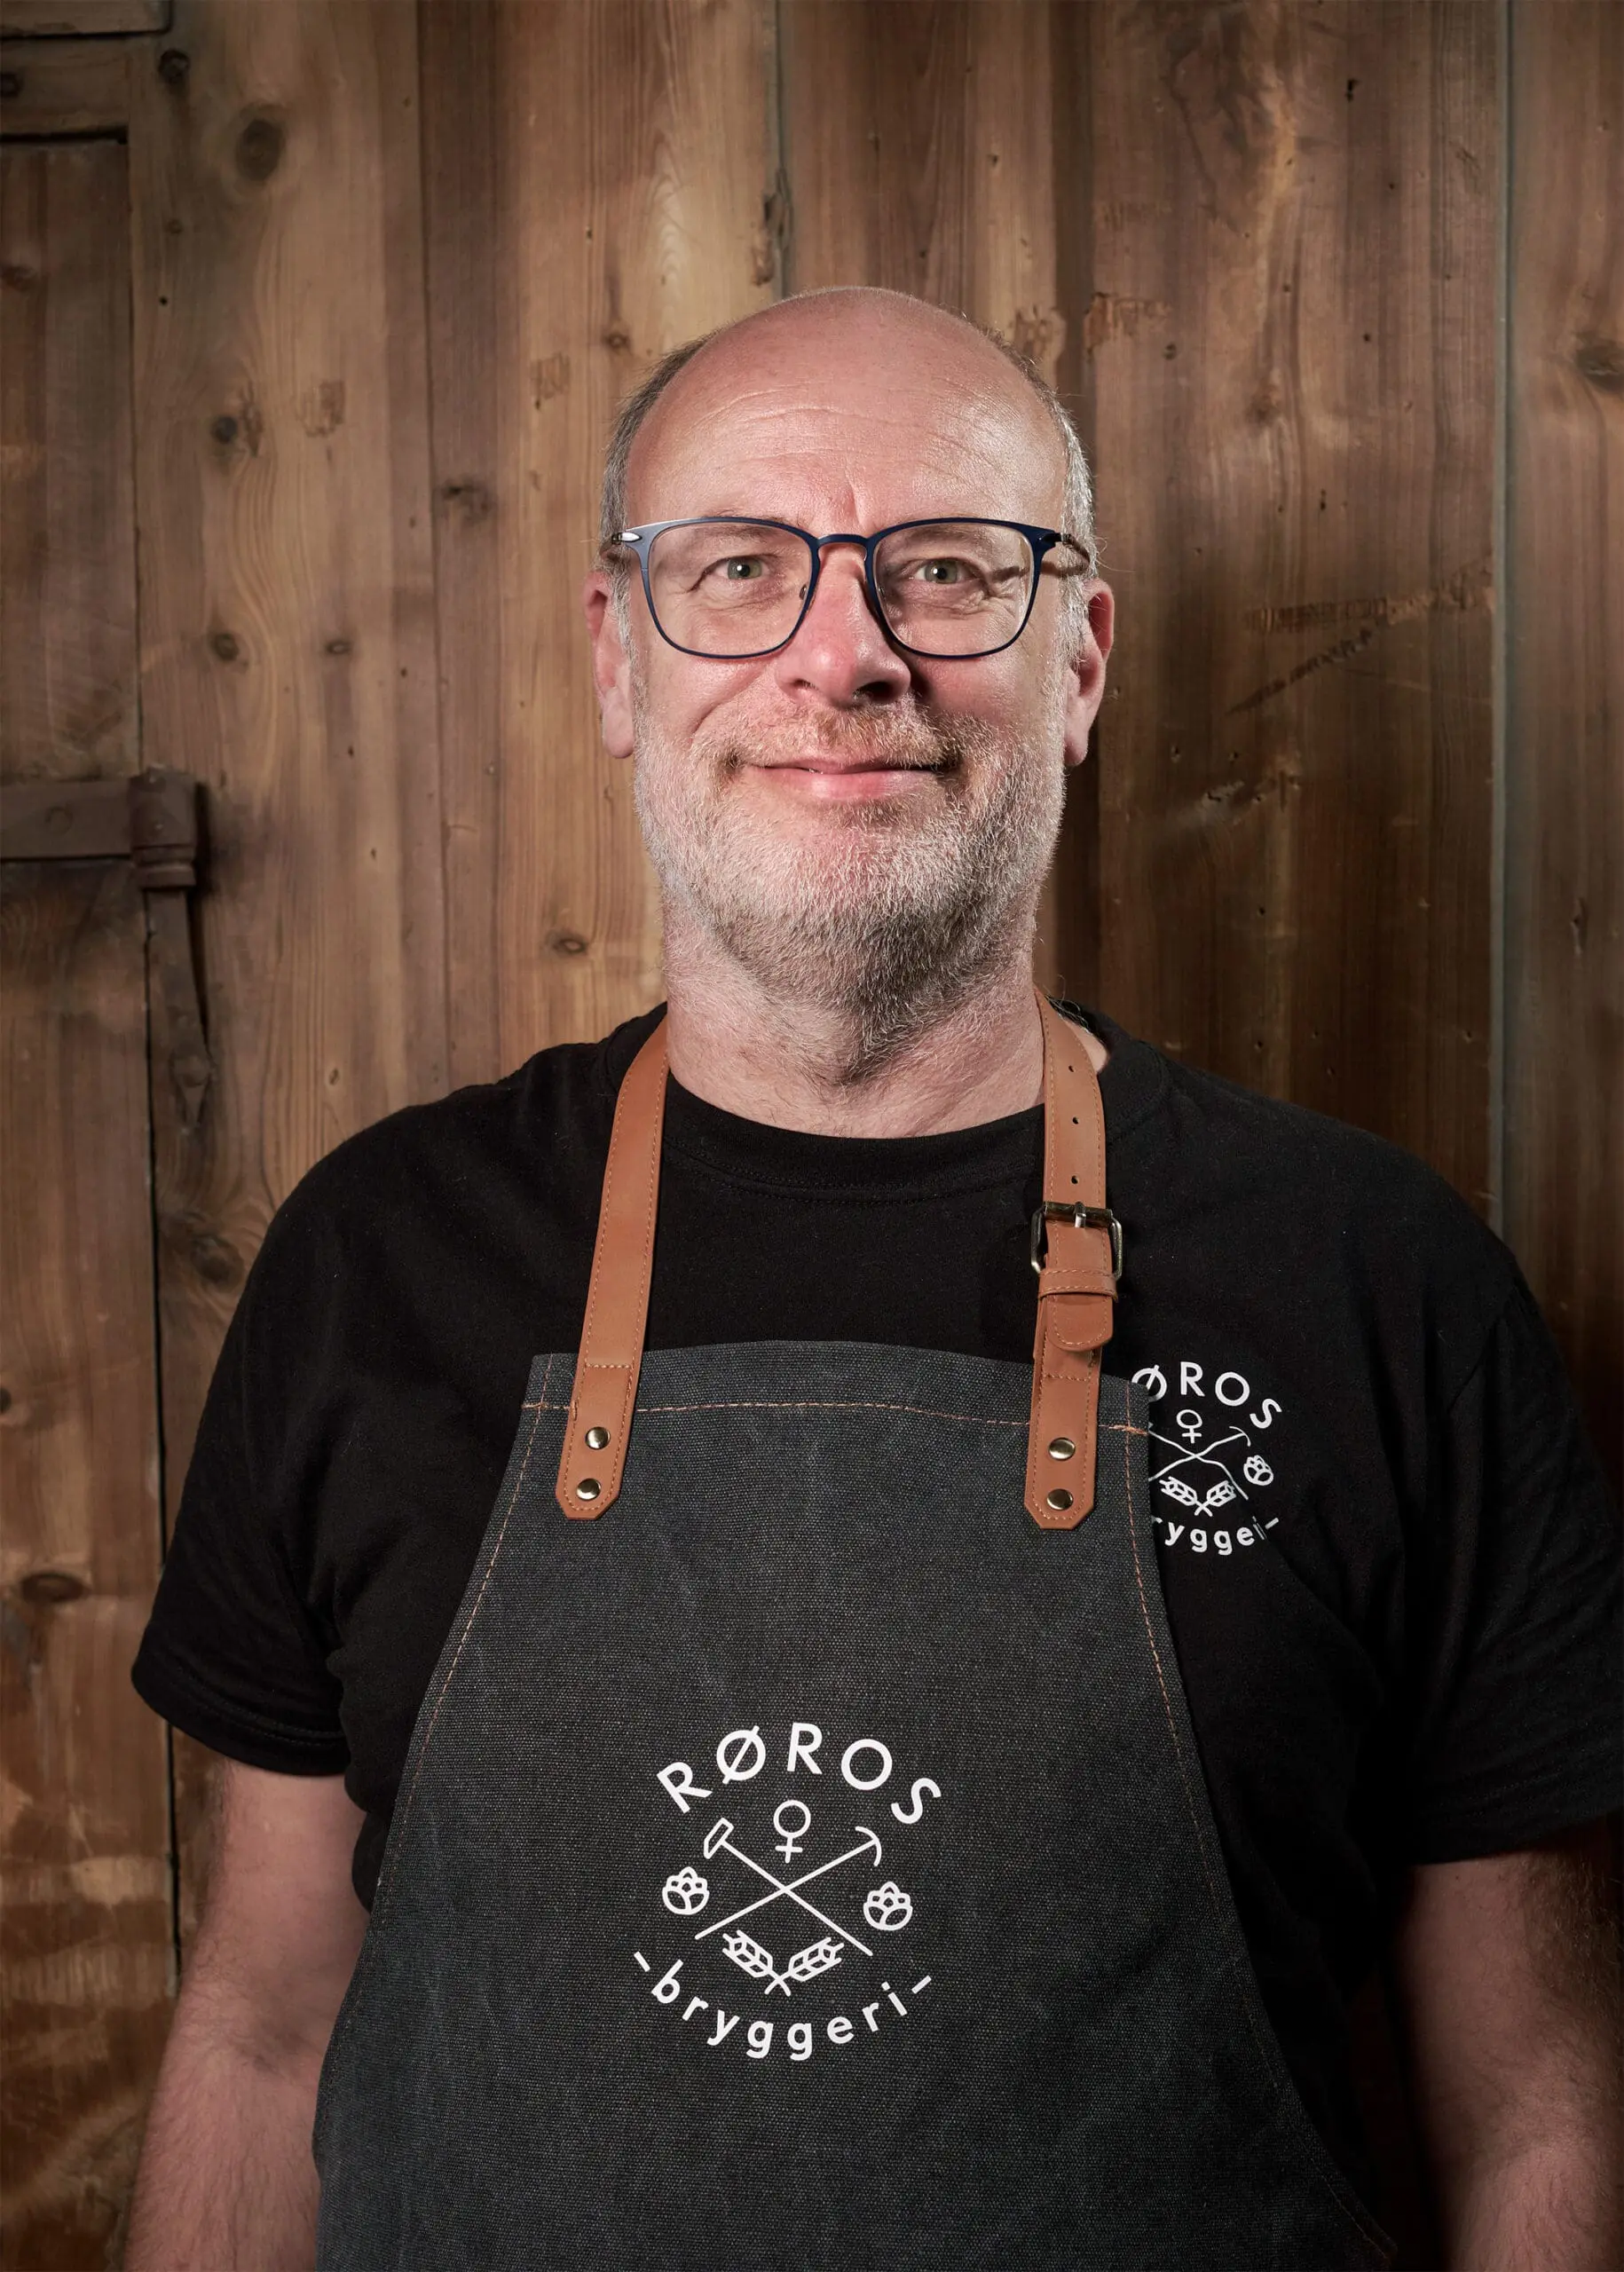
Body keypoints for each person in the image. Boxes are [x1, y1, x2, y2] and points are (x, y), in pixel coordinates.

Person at [125, 288, 1619, 2270]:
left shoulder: (1377, 1280)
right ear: (617, 657)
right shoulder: (371, 1258)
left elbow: (1533, 2102)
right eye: (740, 567)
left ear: (1079, 657)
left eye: (948, 569)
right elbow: (262, 2027)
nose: (849, 655)